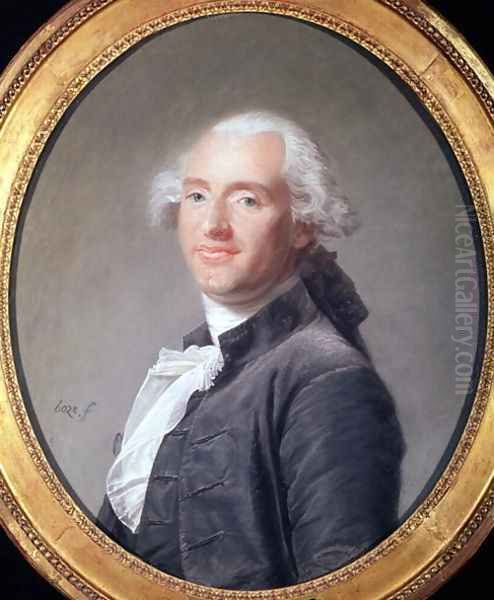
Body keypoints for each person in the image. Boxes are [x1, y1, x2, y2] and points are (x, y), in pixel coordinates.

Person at [98, 111, 405, 590]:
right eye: (198, 196)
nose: (213, 225)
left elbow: (344, 589)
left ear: (303, 224)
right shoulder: (192, 369)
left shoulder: (329, 381)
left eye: (247, 200)